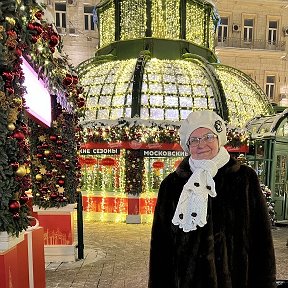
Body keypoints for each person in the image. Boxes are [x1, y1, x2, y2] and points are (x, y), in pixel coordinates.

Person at [148, 110, 276, 288]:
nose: (201, 144)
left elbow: (262, 242)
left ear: (219, 139)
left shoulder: (244, 179)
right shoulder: (172, 185)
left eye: (208, 136)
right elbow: (160, 248)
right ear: (187, 145)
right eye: (194, 140)